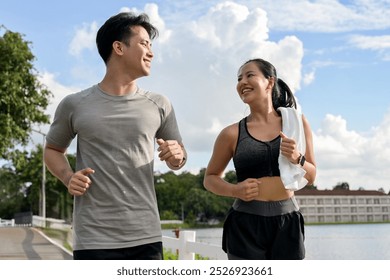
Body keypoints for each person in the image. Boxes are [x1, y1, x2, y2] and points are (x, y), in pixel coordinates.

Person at [44, 12, 187, 260]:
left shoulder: (159, 104)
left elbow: (179, 158)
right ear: (118, 47)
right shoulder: (75, 104)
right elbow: (52, 149)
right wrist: (68, 177)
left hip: (146, 234)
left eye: (151, 46)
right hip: (93, 237)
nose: (151, 52)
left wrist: (177, 155)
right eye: (144, 43)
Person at [203, 58, 316, 260]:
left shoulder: (296, 123)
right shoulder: (231, 133)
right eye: (239, 79)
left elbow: (312, 175)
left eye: (249, 75)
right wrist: (234, 190)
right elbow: (210, 178)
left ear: (270, 82)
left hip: (287, 221)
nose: (242, 82)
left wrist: (297, 157)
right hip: (245, 223)